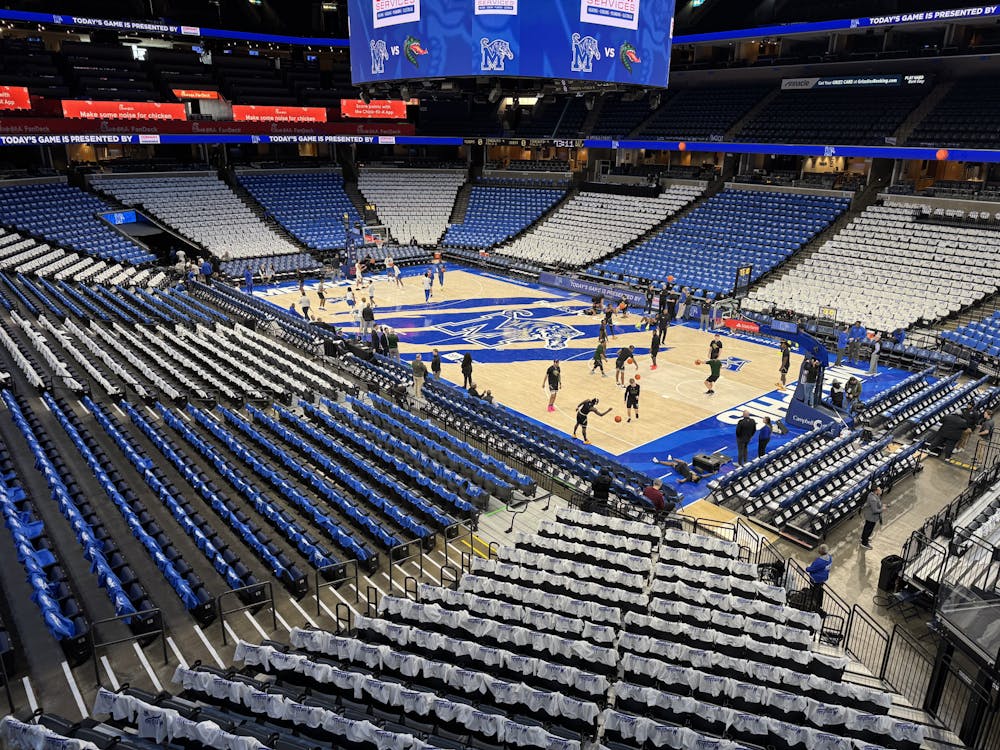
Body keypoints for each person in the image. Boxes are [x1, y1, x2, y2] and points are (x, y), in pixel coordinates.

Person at [805, 544, 833, 612]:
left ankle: (814, 606)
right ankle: (819, 604)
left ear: (821, 551)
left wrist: (807, 568)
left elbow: (810, 569)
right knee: (820, 590)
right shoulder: (829, 558)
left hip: (816, 579)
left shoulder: (819, 562)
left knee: (814, 593)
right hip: (823, 577)